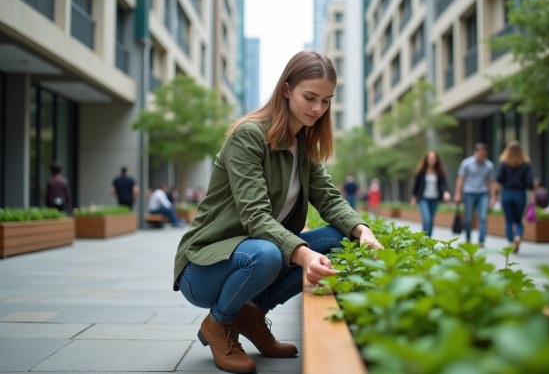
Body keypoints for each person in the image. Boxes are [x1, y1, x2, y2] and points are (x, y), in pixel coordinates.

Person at [173, 51, 383, 374]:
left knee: (340, 238)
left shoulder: (304, 146)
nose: (318, 109)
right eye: (310, 97)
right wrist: (303, 255)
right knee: (268, 253)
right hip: (203, 267)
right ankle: (218, 324)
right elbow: (255, 217)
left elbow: (329, 199)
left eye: (326, 101)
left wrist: (364, 231)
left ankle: (251, 315)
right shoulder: (249, 136)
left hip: (252, 255)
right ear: (286, 89)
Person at [454, 143, 497, 247]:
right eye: (480, 153)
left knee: (483, 217)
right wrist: (457, 194)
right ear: (475, 152)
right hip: (469, 193)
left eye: (484, 154)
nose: (482, 156)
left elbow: (491, 182)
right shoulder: (466, 163)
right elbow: (460, 179)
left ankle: (481, 240)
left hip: (483, 194)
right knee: (468, 218)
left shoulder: (489, 165)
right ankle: (468, 238)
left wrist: (493, 197)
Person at [496, 141, 535, 253]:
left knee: (509, 221)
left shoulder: (503, 163)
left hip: (507, 193)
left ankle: (511, 242)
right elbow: (529, 183)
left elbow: (498, 180)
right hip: (520, 194)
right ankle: (518, 236)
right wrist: (533, 198)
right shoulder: (526, 164)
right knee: (518, 220)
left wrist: (494, 195)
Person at [411, 151, 451, 238]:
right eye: (430, 158)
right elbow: (416, 186)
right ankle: (424, 239)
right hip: (423, 198)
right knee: (427, 219)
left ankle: (429, 240)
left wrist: (446, 193)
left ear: (437, 160)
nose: (432, 160)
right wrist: (413, 198)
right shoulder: (421, 172)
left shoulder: (439, 172)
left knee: (431, 221)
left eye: (434, 158)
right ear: (426, 159)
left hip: (435, 199)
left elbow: (443, 185)